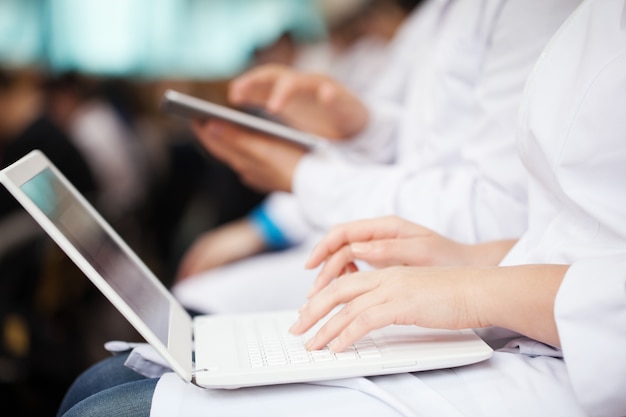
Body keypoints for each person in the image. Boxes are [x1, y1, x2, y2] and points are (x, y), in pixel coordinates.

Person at [55, 0, 626, 415]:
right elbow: (569, 219)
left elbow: (506, 202)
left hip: (575, 360)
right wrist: (363, 130)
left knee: (105, 403)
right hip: (519, 306)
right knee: (110, 383)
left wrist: (473, 283)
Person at [172, 0, 580, 315]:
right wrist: (361, 128)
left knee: (183, 320)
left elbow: (499, 217)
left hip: (455, 284)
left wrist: (301, 180)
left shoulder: (532, 12)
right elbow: (424, 145)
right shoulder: (433, 18)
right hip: (401, 254)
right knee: (178, 319)